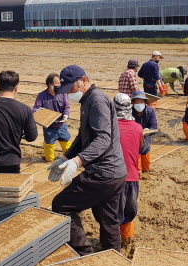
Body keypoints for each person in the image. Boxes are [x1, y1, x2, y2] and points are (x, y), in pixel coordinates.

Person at [47, 65, 127, 255]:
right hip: (115, 173)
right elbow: (83, 136)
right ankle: (112, 257)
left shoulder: (97, 101)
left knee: (61, 204)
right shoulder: (88, 99)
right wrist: (66, 157)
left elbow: (103, 138)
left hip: (102, 173)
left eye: (71, 89)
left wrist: (78, 161)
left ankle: (84, 253)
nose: (70, 94)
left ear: (83, 80)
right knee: (107, 219)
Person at [113, 93, 143, 249]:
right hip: (132, 178)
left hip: (113, 178)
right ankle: (126, 241)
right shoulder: (138, 128)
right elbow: (142, 149)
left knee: (112, 213)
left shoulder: (110, 128)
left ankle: (113, 245)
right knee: (128, 212)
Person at [32, 73, 72, 162]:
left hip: (61, 125)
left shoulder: (63, 94)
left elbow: (67, 106)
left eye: (59, 83)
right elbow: (35, 109)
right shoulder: (41, 96)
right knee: (49, 145)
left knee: (66, 142)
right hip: (49, 127)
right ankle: (49, 160)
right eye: (56, 83)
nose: (59, 85)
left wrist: (66, 114)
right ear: (50, 84)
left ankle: (69, 157)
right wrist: (39, 111)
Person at [131, 91, 157, 172]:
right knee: (136, 161)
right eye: (137, 102)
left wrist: (146, 131)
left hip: (146, 138)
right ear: (133, 103)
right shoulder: (129, 112)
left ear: (145, 102)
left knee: (145, 158)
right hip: (133, 140)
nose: (139, 104)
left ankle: (146, 171)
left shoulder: (150, 111)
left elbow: (154, 126)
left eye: (141, 102)